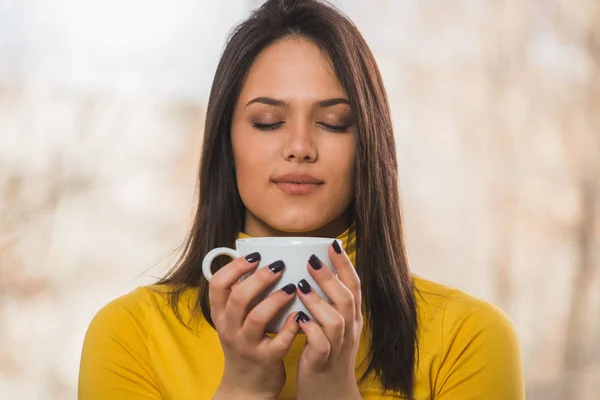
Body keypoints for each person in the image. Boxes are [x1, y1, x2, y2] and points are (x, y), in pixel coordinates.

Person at [78, 0, 525, 399]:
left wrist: (334, 393)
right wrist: (243, 390)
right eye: (268, 121)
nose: (299, 146)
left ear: (369, 144)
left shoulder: (470, 338)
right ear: (225, 143)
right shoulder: (129, 334)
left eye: (332, 122)